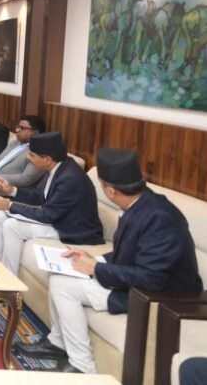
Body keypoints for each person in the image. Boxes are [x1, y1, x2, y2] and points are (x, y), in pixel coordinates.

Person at [16, 148, 202, 374]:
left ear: (111, 191)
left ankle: (82, 367)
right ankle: (58, 343)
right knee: (60, 274)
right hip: (137, 284)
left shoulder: (160, 218)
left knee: (64, 285)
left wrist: (96, 268)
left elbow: (150, 278)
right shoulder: (140, 204)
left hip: (160, 298)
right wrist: (92, 258)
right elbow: (128, 253)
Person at [0, 131, 104, 274]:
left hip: (71, 229)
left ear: (47, 159)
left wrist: (10, 205)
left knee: (11, 225)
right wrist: (12, 190)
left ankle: (9, 277)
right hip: (56, 219)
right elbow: (38, 197)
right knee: (0, 216)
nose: (28, 158)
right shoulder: (55, 168)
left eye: (32, 155)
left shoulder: (70, 179)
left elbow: (48, 215)